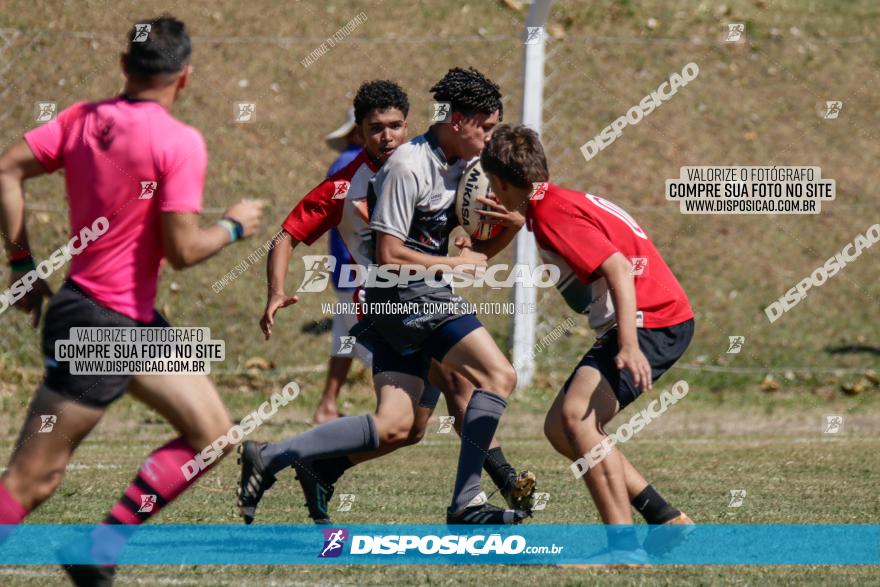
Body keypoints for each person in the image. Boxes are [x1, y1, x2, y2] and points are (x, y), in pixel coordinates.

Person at [0, 17, 263, 586]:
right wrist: (235, 226)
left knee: (213, 435)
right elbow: (186, 249)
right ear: (184, 78)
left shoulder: (81, 119)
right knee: (31, 482)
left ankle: (99, 548)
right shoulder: (179, 142)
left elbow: (7, 170)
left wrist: (22, 262)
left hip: (126, 322)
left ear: (125, 66)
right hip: (101, 323)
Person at [245, 79, 534, 525]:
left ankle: (296, 459)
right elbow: (288, 235)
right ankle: (484, 494)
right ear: (359, 132)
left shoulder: (449, 166)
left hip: (416, 295)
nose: (388, 136)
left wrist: (506, 226)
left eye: (396, 125)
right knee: (487, 378)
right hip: (395, 298)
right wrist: (276, 291)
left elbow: (469, 239)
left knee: (405, 427)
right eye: (376, 128)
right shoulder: (351, 184)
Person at [480, 124, 695, 559]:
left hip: (650, 321)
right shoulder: (554, 204)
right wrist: (523, 222)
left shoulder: (554, 215)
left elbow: (616, 268)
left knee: (577, 418)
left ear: (501, 183)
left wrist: (630, 345)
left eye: (491, 186)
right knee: (561, 427)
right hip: (658, 316)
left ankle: (623, 549)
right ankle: (664, 517)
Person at [315, 107, 367, 424]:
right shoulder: (355, 164)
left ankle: (327, 406)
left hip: (345, 268)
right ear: (358, 132)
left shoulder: (342, 162)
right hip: (358, 268)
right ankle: (397, 406)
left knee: (343, 342)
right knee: (377, 344)